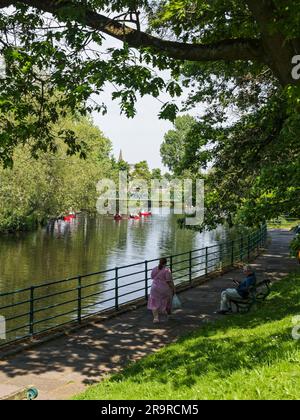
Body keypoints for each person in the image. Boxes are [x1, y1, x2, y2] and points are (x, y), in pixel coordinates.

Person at [148, 258, 175, 323]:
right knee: (168, 301)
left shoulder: (154, 268)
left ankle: (156, 318)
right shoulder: (167, 270)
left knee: (154, 302)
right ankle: (169, 315)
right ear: (166, 263)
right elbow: (169, 281)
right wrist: (173, 288)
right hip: (164, 288)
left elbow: (152, 277)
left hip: (154, 288)